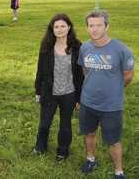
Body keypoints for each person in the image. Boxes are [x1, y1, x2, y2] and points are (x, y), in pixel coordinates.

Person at [78, 10, 134, 179]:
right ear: (87, 28)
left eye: (99, 25)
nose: (94, 29)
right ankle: (90, 159)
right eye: (91, 25)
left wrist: (113, 89)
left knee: (113, 141)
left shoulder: (121, 50)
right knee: (89, 133)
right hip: (88, 102)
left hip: (111, 106)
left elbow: (128, 75)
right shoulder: (85, 47)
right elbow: (85, 70)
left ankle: (119, 171)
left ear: (107, 26)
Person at [33, 13, 84, 161]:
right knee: (44, 124)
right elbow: (40, 70)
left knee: (65, 126)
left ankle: (62, 151)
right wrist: (38, 91)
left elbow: (80, 75)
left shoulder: (77, 46)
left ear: (69, 27)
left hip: (69, 94)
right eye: (56, 26)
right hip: (49, 93)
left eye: (63, 26)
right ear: (52, 29)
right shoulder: (47, 45)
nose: (60, 29)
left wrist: (79, 98)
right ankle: (40, 147)